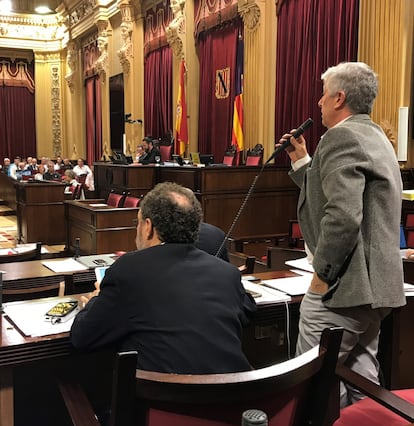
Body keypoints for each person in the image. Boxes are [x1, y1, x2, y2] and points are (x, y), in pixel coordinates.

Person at [277, 61, 405, 407]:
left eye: (323, 95)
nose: (318, 103)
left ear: (339, 97)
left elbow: (344, 216)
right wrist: (303, 161)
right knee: (363, 381)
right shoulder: (374, 135)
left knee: (312, 385)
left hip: (343, 291)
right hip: (375, 290)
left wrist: (322, 274)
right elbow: (335, 199)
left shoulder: (340, 137)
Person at [70, 182, 256, 374]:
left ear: (148, 227)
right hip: (233, 399)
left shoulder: (128, 269)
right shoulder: (226, 273)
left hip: (163, 402)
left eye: (138, 222)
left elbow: (82, 336)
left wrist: (96, 299)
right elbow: (246, 309)